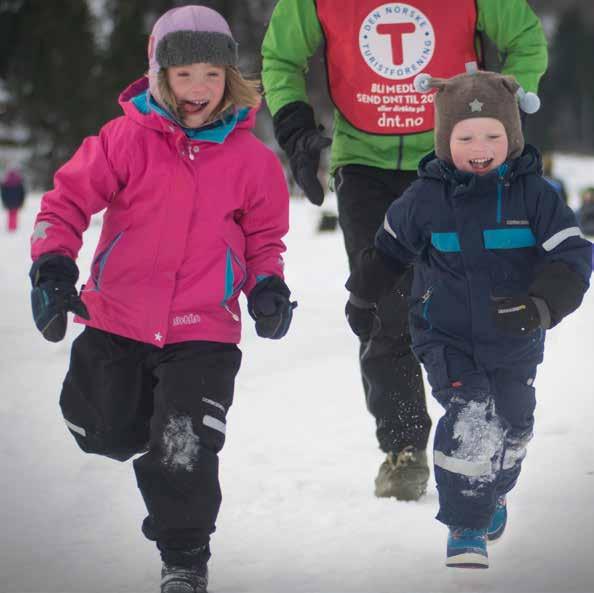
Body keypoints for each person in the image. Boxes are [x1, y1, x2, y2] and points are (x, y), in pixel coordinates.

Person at [28, 6, 294, 593]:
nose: (199, 88)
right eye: (184, 75)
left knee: (183, 445)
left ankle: (184, 559)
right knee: (107, 430)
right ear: (158, 77)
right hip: (119, 317)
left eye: (211, 74)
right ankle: (105, 419)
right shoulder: (124, 140)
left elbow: (264, 239)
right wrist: (51, 265)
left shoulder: (252, 160)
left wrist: (267, 286)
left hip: (204, 330)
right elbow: (66, 203)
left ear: (230, 77)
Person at [262, 0, 548, 501]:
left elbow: (526, 39)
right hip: (362, 163)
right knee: (384, 304)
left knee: (470, 299)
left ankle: (488, 422)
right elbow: (281, 57)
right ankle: (404, 445)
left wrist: (503, 109)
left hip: (456, 155)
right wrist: (295, 129)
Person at [344, 69, 591, 568]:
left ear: (513, 137)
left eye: (493, 136)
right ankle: (466, 526)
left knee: (515, 424)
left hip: (515, 337)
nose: (480, 146)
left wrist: (542, 304)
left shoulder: (534, 196)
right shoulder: (425, 197)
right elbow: (387, 251)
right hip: (445, 333)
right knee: (470, 414)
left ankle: (495, 490)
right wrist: (361, 299)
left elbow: (573, 257)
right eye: (465, 136)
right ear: (444, 138)